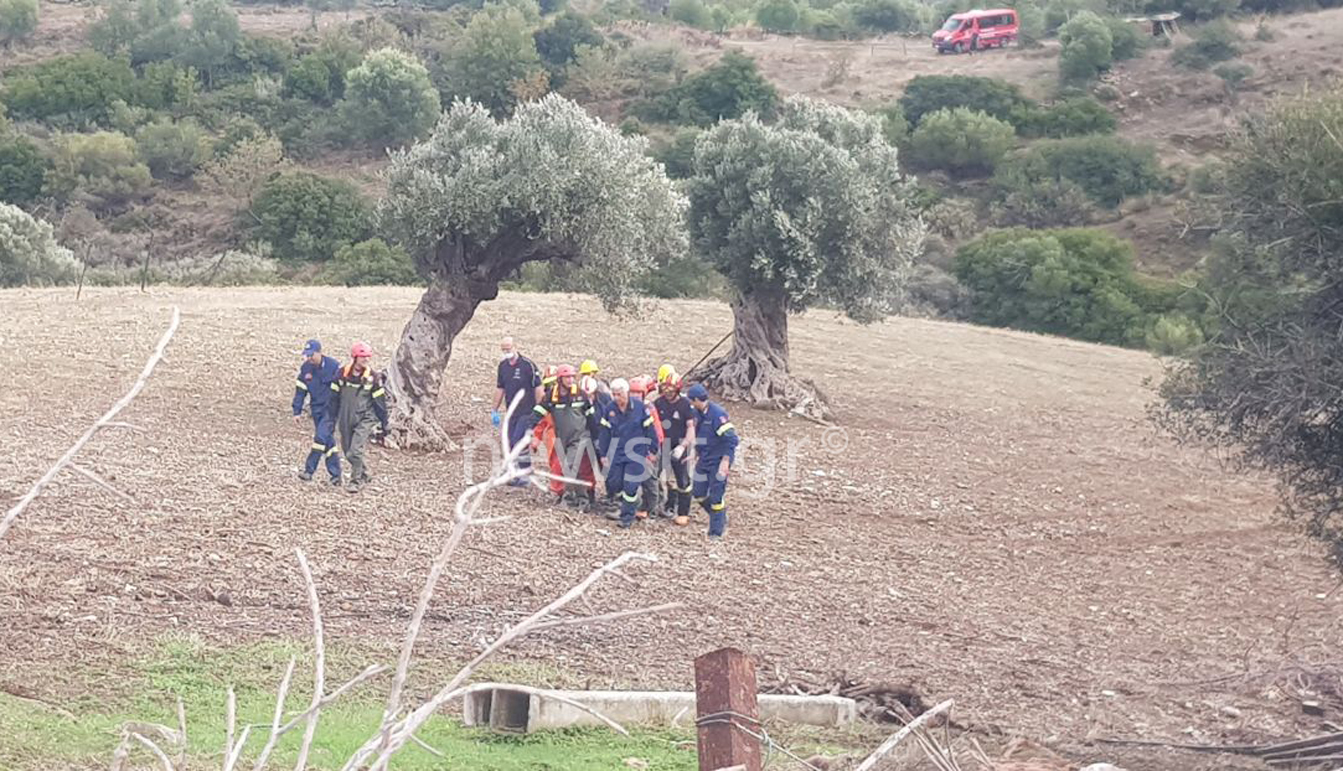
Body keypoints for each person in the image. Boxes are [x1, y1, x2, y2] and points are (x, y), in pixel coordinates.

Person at [532, 364, 597, 508]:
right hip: (561, 438)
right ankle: (581, 499)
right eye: (567, 377)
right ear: (560, 379)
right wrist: (529, 429)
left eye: (572, 377)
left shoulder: (580, 395)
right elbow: (538, 413)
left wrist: (596, 437)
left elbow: (591, 417)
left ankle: (569, 498)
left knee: (569, 466)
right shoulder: (551, 397)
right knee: (573, 468)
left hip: (579, 437)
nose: (570, 380)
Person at [597, 378, 658, 529]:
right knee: (615, 482)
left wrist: (653, 450)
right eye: (614, 394)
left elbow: (650, 430)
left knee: (630, 485)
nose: (617, 398)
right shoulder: (610, 409)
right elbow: (605, 433)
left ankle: (626, 518)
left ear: (627, 393)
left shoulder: (640, 408)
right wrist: (603, 454)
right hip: (617, 451)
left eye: (620, 394)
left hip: (637, 452)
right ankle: (628, 503)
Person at [333, 342, 388, 494]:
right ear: (355, 357)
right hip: (345, 417)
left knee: (355, 451)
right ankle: (364, 473)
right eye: (363, 357)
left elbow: (379, 402)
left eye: (367, 357)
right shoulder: (341, 374)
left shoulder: (373, 377)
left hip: (365, 418)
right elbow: (333, 397)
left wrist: (384, 423)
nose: (366, 360)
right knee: (347, 450)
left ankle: (356, 481)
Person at [687, 383, 738, 539]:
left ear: (696, 400)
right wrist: (695, 453)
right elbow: (701, 435)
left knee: (716, 496)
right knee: (698, 492)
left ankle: (715, 531)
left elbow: (732, 440)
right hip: (704, 459)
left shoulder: (717, 415)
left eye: (691, 400)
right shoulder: (697, 413)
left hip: (718, 461)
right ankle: (720, 516)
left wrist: (725, 461)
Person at [292, 339, 343, 486]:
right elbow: (300, 391)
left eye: (311, 355)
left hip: (331, 410)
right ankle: (336, 475)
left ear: (319, 352)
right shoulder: (305, 369)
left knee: (320, 438)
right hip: (316, 409)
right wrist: (297, 410)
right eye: (306, 355)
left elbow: (343, 389)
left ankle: (309, 470)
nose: (309, 358)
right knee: (328, 442)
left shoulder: (333, 366)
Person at [492, 336, 543, 485]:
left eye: (508, 349)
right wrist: (494, 410)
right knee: (509, 442)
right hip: (511, 412)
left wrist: (539, 412)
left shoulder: (528, 366)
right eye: (503, 350)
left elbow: (538, 388)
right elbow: (500, 388)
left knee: (518, 441)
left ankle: (525, 474)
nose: (506, 352)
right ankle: (514, 473)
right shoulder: (503, 367)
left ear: (515, 347)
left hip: (527, 411)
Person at [654, 373, 696, 525]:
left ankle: (683, 512)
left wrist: (683, 445)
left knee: (682, 479)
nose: (667, 391)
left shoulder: (686, 405)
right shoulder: (658, 403)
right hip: (662, 445)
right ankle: (663, 505)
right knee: (656, 475)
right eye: (665, 387)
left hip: (680, 445)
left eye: (670, 388)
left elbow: (691, 428)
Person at [628, 375, 665, 520]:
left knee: (650, 480)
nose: (635, 396)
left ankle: (652, 509)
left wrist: (652, 451)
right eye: (632, 392)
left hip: (649, 448)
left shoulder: (648, 409)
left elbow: (656, 433)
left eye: (638, 393)